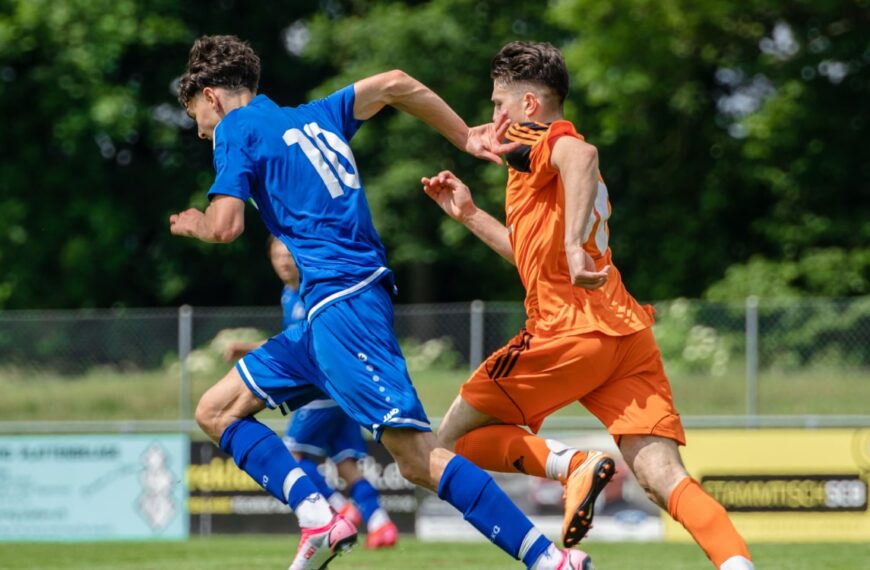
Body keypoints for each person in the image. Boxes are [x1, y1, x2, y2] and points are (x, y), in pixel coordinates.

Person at [170, 35, 592, 570]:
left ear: (211, 96)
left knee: (417, 460)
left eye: (197, 120)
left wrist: (196, 225)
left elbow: (227, 226)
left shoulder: (235, 128)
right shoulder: (316, 114)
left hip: (343, 304)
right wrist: (466, 136)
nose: (202, 132)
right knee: (215, 410)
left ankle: (551, 560)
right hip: (325, 312)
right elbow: (395, 83)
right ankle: (318, 517)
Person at [421, 41, 754, 570]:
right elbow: (531, 256)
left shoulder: (546, 138)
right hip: (624, 334)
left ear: (528, 105)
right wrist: (469, 216)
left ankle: (572, 464)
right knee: (664, 478)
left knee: (445, 446)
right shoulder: (532, 164)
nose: (491, 117)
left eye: (497, 103)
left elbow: (582, 154)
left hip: (565, 331)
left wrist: (574, 247)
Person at [223, 236, 399, 549]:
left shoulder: (312, 290)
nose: (283, 261)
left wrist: (247, 349)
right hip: (340, 391)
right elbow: (291, 343)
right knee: (346, 463)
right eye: (277, 255)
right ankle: (380, 523)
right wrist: (248, 347)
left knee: (291, 454)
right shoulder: (287, 295)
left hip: (319, 389)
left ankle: (335, 508)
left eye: (288, 254)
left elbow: (307, 346)